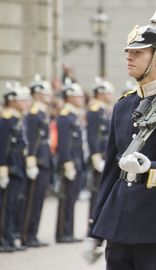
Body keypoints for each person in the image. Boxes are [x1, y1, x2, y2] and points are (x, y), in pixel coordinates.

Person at [85, 10, 156, 270]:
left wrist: (150, 169)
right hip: (117, 224)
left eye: (138, 52)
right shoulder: (123, 105)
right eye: (129, 51)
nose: (129, 56)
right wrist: (94, 229)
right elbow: (110, 173)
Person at [21, 76, 53, 247]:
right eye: (45, 93)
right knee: (32, 201)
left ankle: (33, 234)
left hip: (44, 161)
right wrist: (31, 161)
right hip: (37, 162)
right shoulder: (34, 115)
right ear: (38, 94)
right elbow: (32, 140)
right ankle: (26, 235)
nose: (49, 96)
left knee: (39, 201)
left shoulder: (41, 113)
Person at [0, 82, 31, 252]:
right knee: (5, 206)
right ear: (11, 101)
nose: (26, 103)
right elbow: (3, 146)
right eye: (22, 100)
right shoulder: (6, 120)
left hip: (18, 168)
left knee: (13, 206)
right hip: (9, 169)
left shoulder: (17, 119)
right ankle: (3, 239)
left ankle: (10, 237)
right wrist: (3, 169)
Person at [55, 81, 85, 243]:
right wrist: (67, 163)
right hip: (70, 164)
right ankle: (62, 233)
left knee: (71, 199)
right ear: (69, 97)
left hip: (77, 162)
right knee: (65, 199)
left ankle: (69, 231)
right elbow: (64, 142)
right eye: (77, 96)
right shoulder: (65, 116)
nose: (80, 99)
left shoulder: (73, 115)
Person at [86, 78, 114, 218]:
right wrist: (96, 157)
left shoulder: (104, 109)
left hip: (106, 155)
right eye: (108, 93)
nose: (110, 95)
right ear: (100, 94)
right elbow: (92, 135)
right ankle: (92, 223)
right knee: (96, 192)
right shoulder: (95, 111)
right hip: (99, 156)